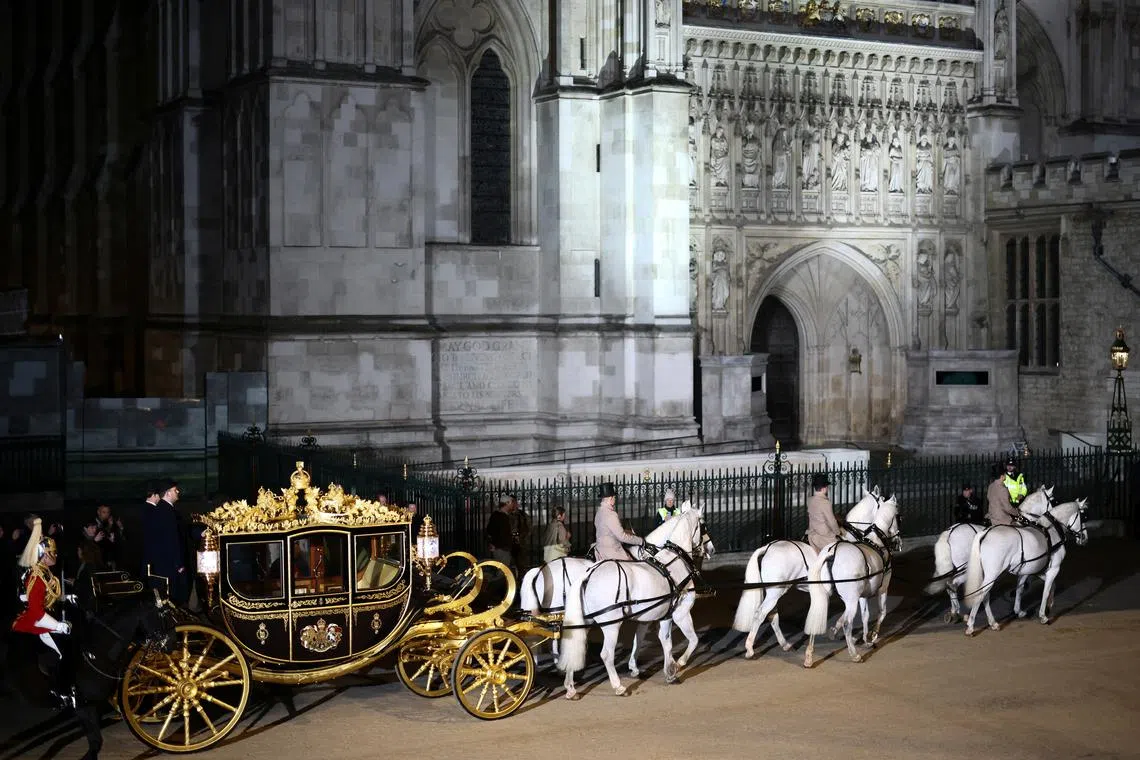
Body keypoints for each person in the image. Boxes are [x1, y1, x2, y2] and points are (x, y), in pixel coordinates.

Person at [11, 518, 74, 708]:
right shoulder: (37, 577)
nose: (53, 556)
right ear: (41, 555)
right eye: (49, 553)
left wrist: (66, 598)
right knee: (62, 653)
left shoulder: (45, 572)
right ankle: (60, 691)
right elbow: (37, 612)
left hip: (44, 617)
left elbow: (51, 595)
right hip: (36, 622)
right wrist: (58, 626)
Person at [142, 480, 188, 605]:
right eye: (175, 490)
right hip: (170, 566)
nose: (177, 491)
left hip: (168, 564)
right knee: (173, 598)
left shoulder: (165, 509)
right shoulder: (165, 511)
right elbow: (170, 539)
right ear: (167, 493)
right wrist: (178, 564)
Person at [594, 483, 645, 561]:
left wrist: (627, 531)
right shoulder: (611, 514)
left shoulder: (599, 512)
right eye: (614, 497)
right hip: (612, 551)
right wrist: (640, 541)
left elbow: (607, 531)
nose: (615, 499)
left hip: (600, 550)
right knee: (633, 566)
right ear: (611, 499)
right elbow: (622, 537)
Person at [805, 473, 842, 552]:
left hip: (811, 533)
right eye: (827, 487)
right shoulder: (825, 502)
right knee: (840, 549)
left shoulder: (809, 500)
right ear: (824, 488)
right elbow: (831, 521)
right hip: (824, 536)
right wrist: (838, 532)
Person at [486, 495, 515, 570]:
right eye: (511, 502)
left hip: (500, 547)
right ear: (507, 503)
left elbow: (489, 530)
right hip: (502, 548)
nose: (513, 504)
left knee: (502, 570)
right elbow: (496, 532)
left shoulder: (497, 515)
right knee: (503, 571)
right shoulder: (501, 517)